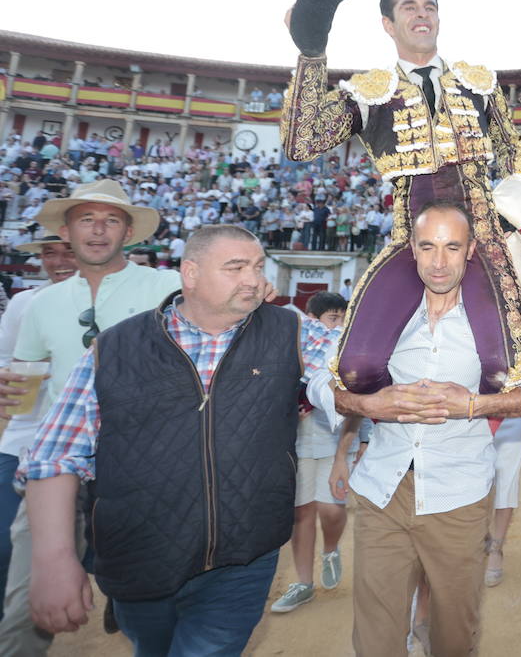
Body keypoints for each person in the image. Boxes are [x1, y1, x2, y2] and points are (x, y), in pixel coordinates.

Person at [22, 225, 335, 653]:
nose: (254, 279)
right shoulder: (115, 347)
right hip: (142, 556)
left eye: (258, 266)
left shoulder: (289, 330)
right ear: (190, 273)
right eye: (235, 267)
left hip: (244, 556)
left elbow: (351, 366)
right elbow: (55, 456)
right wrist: (54, 558)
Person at [280, 0, 521, 397]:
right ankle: (401, 430)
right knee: (357, 366)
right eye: (409, 7)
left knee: (501, 368)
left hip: (482, 237)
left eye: (429, 7)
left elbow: (512, 144)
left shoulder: (476, 82)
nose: (422, 15)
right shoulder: (372, 91)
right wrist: (311, 54)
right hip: (412, 238)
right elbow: (301, 141)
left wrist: (511, 204)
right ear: (389, 24)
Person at [302, 200, 521, 655]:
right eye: (427, 247)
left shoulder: (497, 320)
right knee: (375, 637)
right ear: (413, 251)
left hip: (458, 496)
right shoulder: (379, 315)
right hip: (383, 490)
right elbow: (321, 381)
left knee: (453, 634)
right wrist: (367, 402)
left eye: (451, 247)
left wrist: (475, 404)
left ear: (470, 251)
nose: (438, 261)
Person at [0, 181, 181, 653]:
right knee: (25, 609)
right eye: (86, 219)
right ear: (66, 229)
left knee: (158, 612)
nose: (98, 230)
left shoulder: (170, 287)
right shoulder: (40, 305)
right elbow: (22, 388)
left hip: (152, 474)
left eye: (111, 220)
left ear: (128, 232)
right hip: (61, 472)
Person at [270, 292, 367, 614]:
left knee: (331, 509)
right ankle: (303, 583)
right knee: (302, 512)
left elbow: (358, 401)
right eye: (332, 318)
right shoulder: (295, 348)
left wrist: (353, 447)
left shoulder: (343, 352)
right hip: (296, 441)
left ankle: (330, 548)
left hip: (335, 441)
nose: (337, 325)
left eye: (342, 317)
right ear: (312, 318)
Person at [0, 234, 77, 621]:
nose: (59, 260)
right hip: (23, 436)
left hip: (90, 445)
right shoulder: (23, 303)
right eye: (50, 252)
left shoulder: (116, 305)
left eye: (69, 251)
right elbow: (3, 359)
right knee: (2, 542)